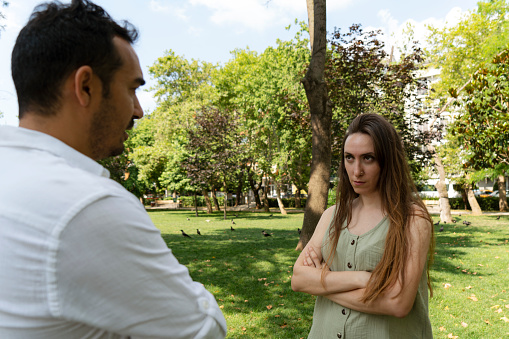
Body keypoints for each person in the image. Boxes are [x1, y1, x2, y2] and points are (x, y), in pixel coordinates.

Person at [0, 1, 226, 338]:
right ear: (86, 86)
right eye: (133, 89)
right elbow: (203, 329)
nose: (138, 111)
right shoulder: (87, 205)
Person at [291, 113, 434, 338]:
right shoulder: (332, 215)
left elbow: (397, 303)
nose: (356, 171)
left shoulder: (412, 220)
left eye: (368, 158)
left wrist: (321, 283)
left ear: (387, 160)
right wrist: (362, 279)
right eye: (349, 158)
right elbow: (298, 279)